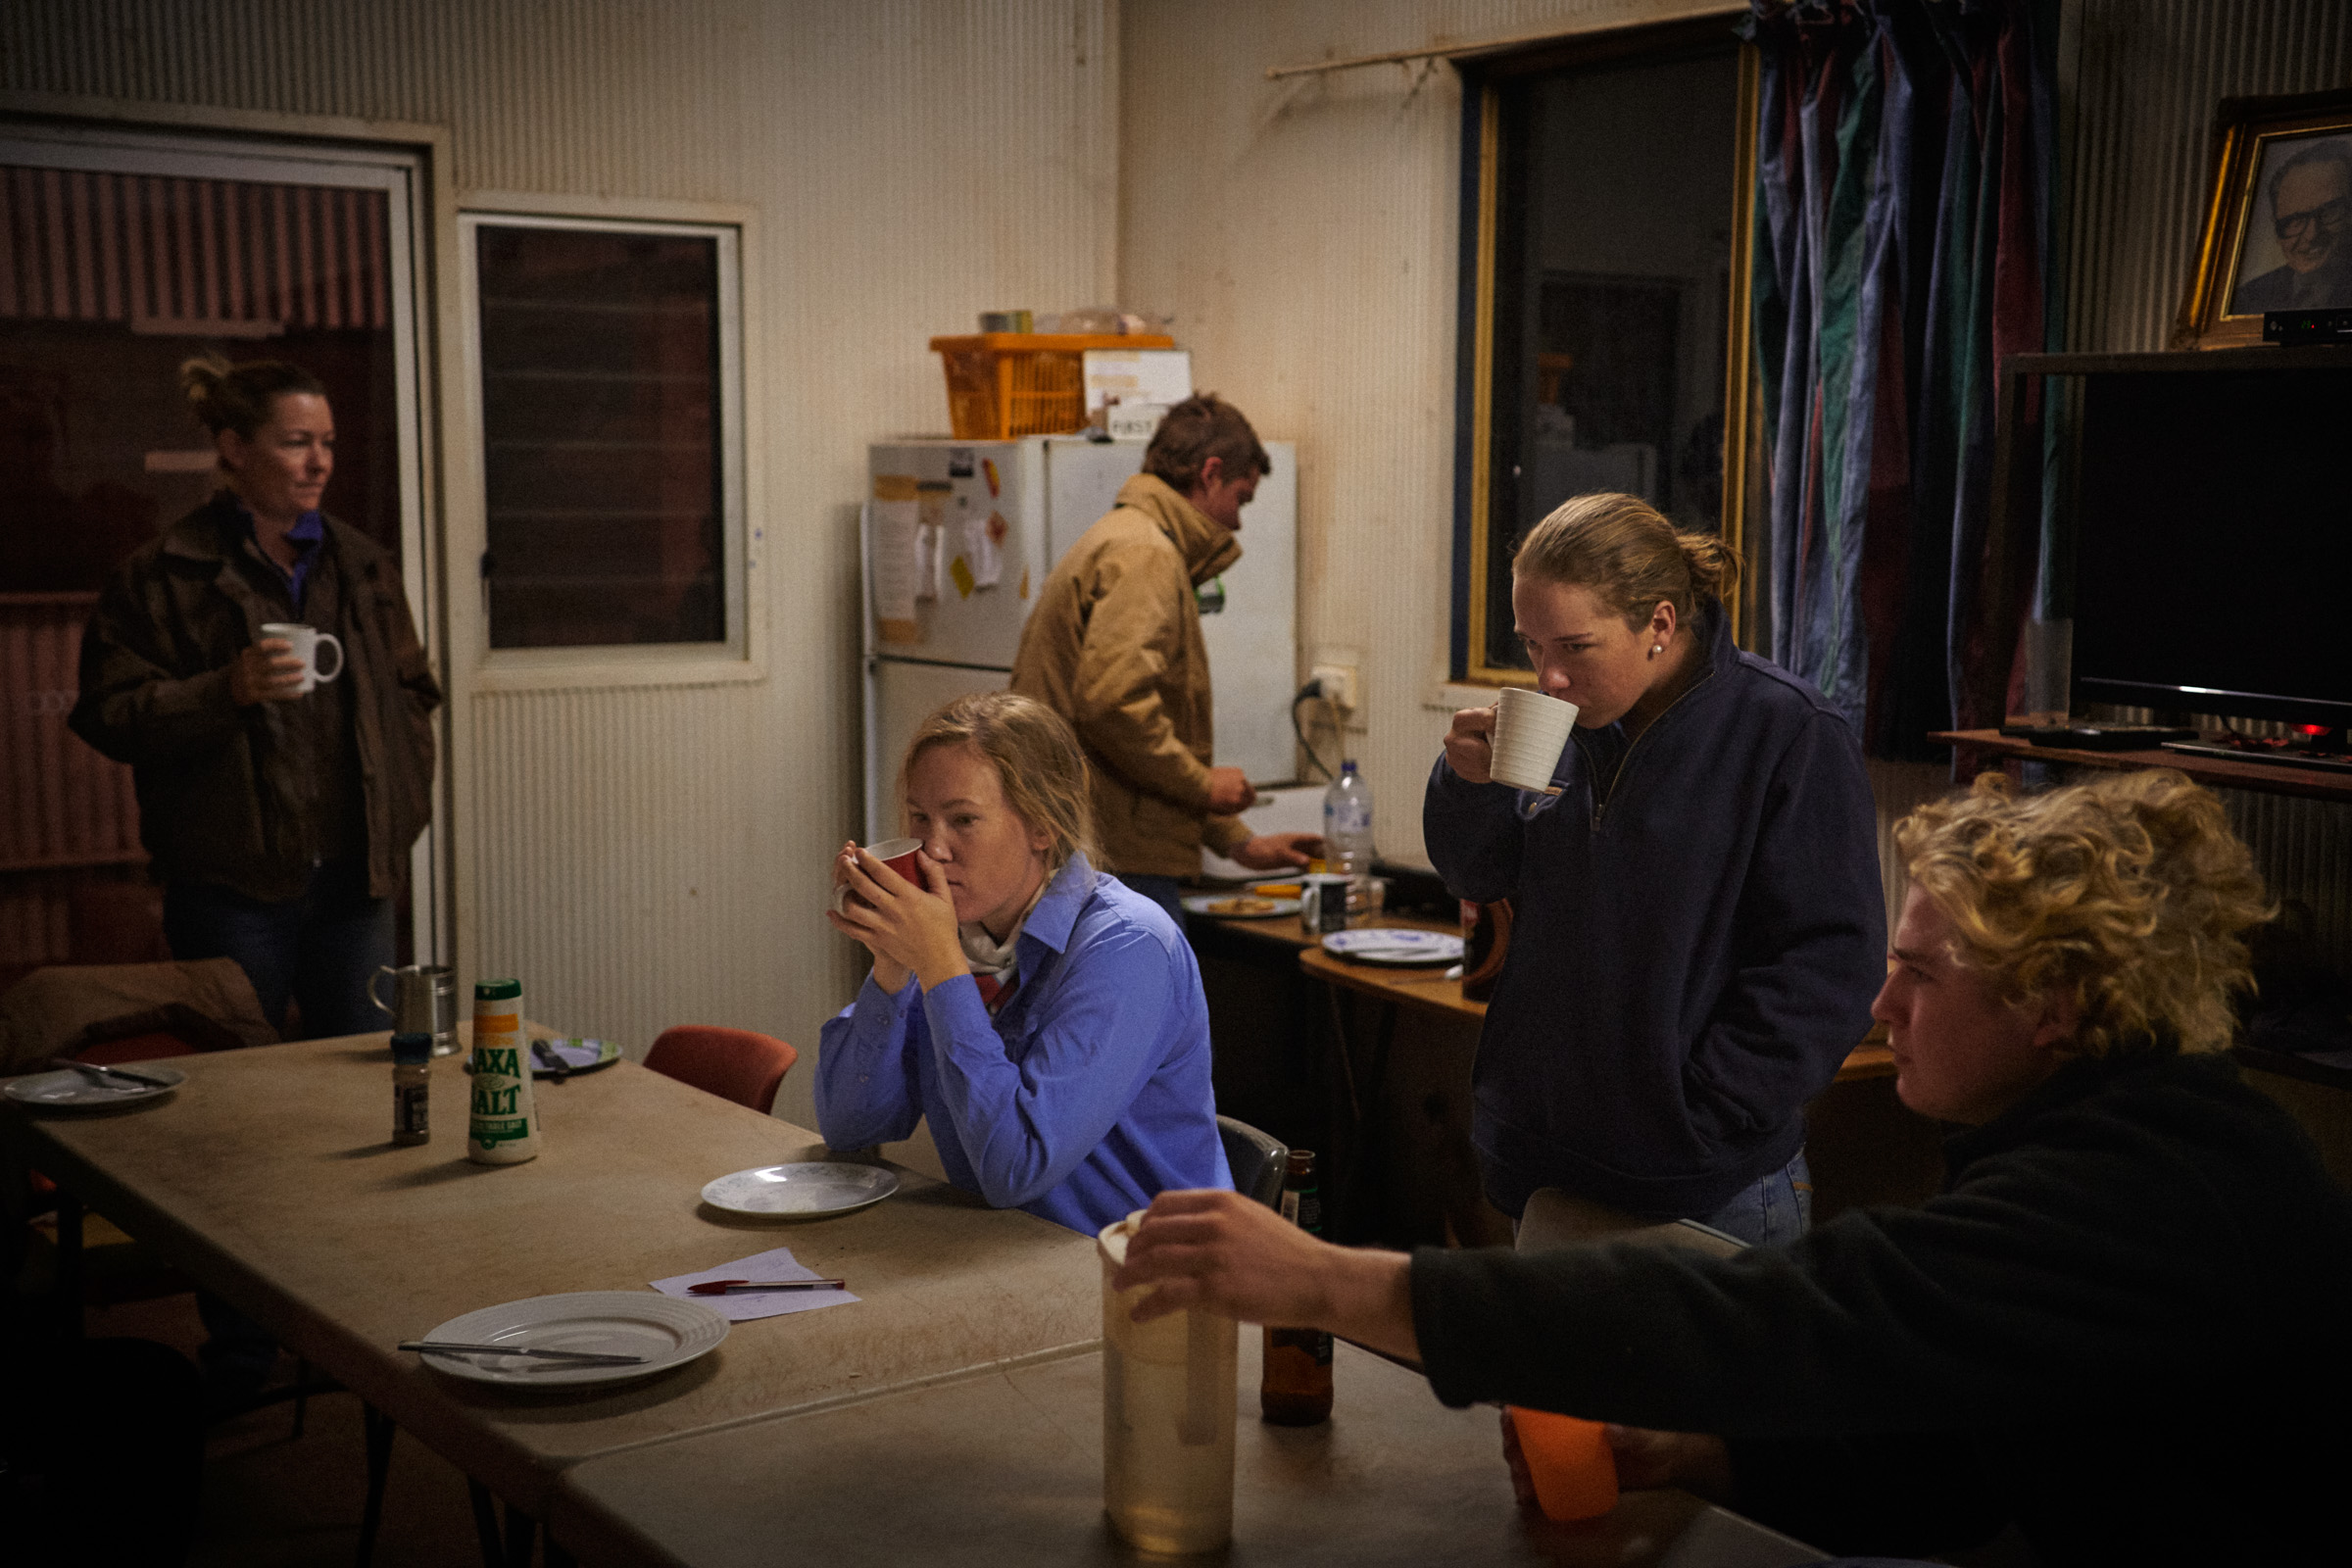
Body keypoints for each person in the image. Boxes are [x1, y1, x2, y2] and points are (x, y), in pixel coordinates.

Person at [1113, 768, 2352, 1565]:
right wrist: (1714, 1458)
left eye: (1922, 973)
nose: (1881, 1001)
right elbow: (1970, 1458)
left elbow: (1793, 1309)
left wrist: (1337, 1284)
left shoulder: (2149, 1192)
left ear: (2055, 1006)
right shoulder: (2097, 1132)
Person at [1427, 492, 1883, 1246]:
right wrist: (1467, 785)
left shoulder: (1788, 733)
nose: (1549, 679)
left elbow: (1832, 967)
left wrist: (1699, 1110)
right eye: (1532, 646)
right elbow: (1474, 876)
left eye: (1574, 647)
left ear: (1660, 624)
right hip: (1546, 1167)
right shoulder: (1560, 728)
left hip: (1707, 1182)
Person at [71, 358, 440, 1042]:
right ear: (235, 449)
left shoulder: (362, 565)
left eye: (327, 443)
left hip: (356, 881)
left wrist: (401, 811)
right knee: (235, 1083)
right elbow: (108, 713)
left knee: (363, 1072)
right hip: (228, 887)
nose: (319, 463)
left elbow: (415, 691)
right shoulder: (164, 573)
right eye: (296, 442)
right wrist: (224, 690)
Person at [814, 691, 1231, 1235]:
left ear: (1043, 826)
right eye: (919, 817)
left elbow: (1016, 1169)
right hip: (1009, 1254)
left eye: (963, 819)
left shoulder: (1128, 946)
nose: (932, 849)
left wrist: (941, 967)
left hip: (1142, 1276)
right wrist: (893, 967)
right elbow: (851, 1129)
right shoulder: (955, 931)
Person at [1010, 394, 1319, 925]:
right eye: (1240, 499)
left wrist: (1238, 842)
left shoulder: (1126, 538)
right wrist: (1204, 786)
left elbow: (1135, 746)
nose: (1239, 523)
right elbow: (1113, 704)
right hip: (1113, 859)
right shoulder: (1146, 553)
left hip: (1093, 844)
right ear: (1210, 473)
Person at [2230, 138, 2352, 315]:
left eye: (2328, 213)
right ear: (2277, 228)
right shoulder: (2248, 299)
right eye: (2295, 221)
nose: (2312, 235)